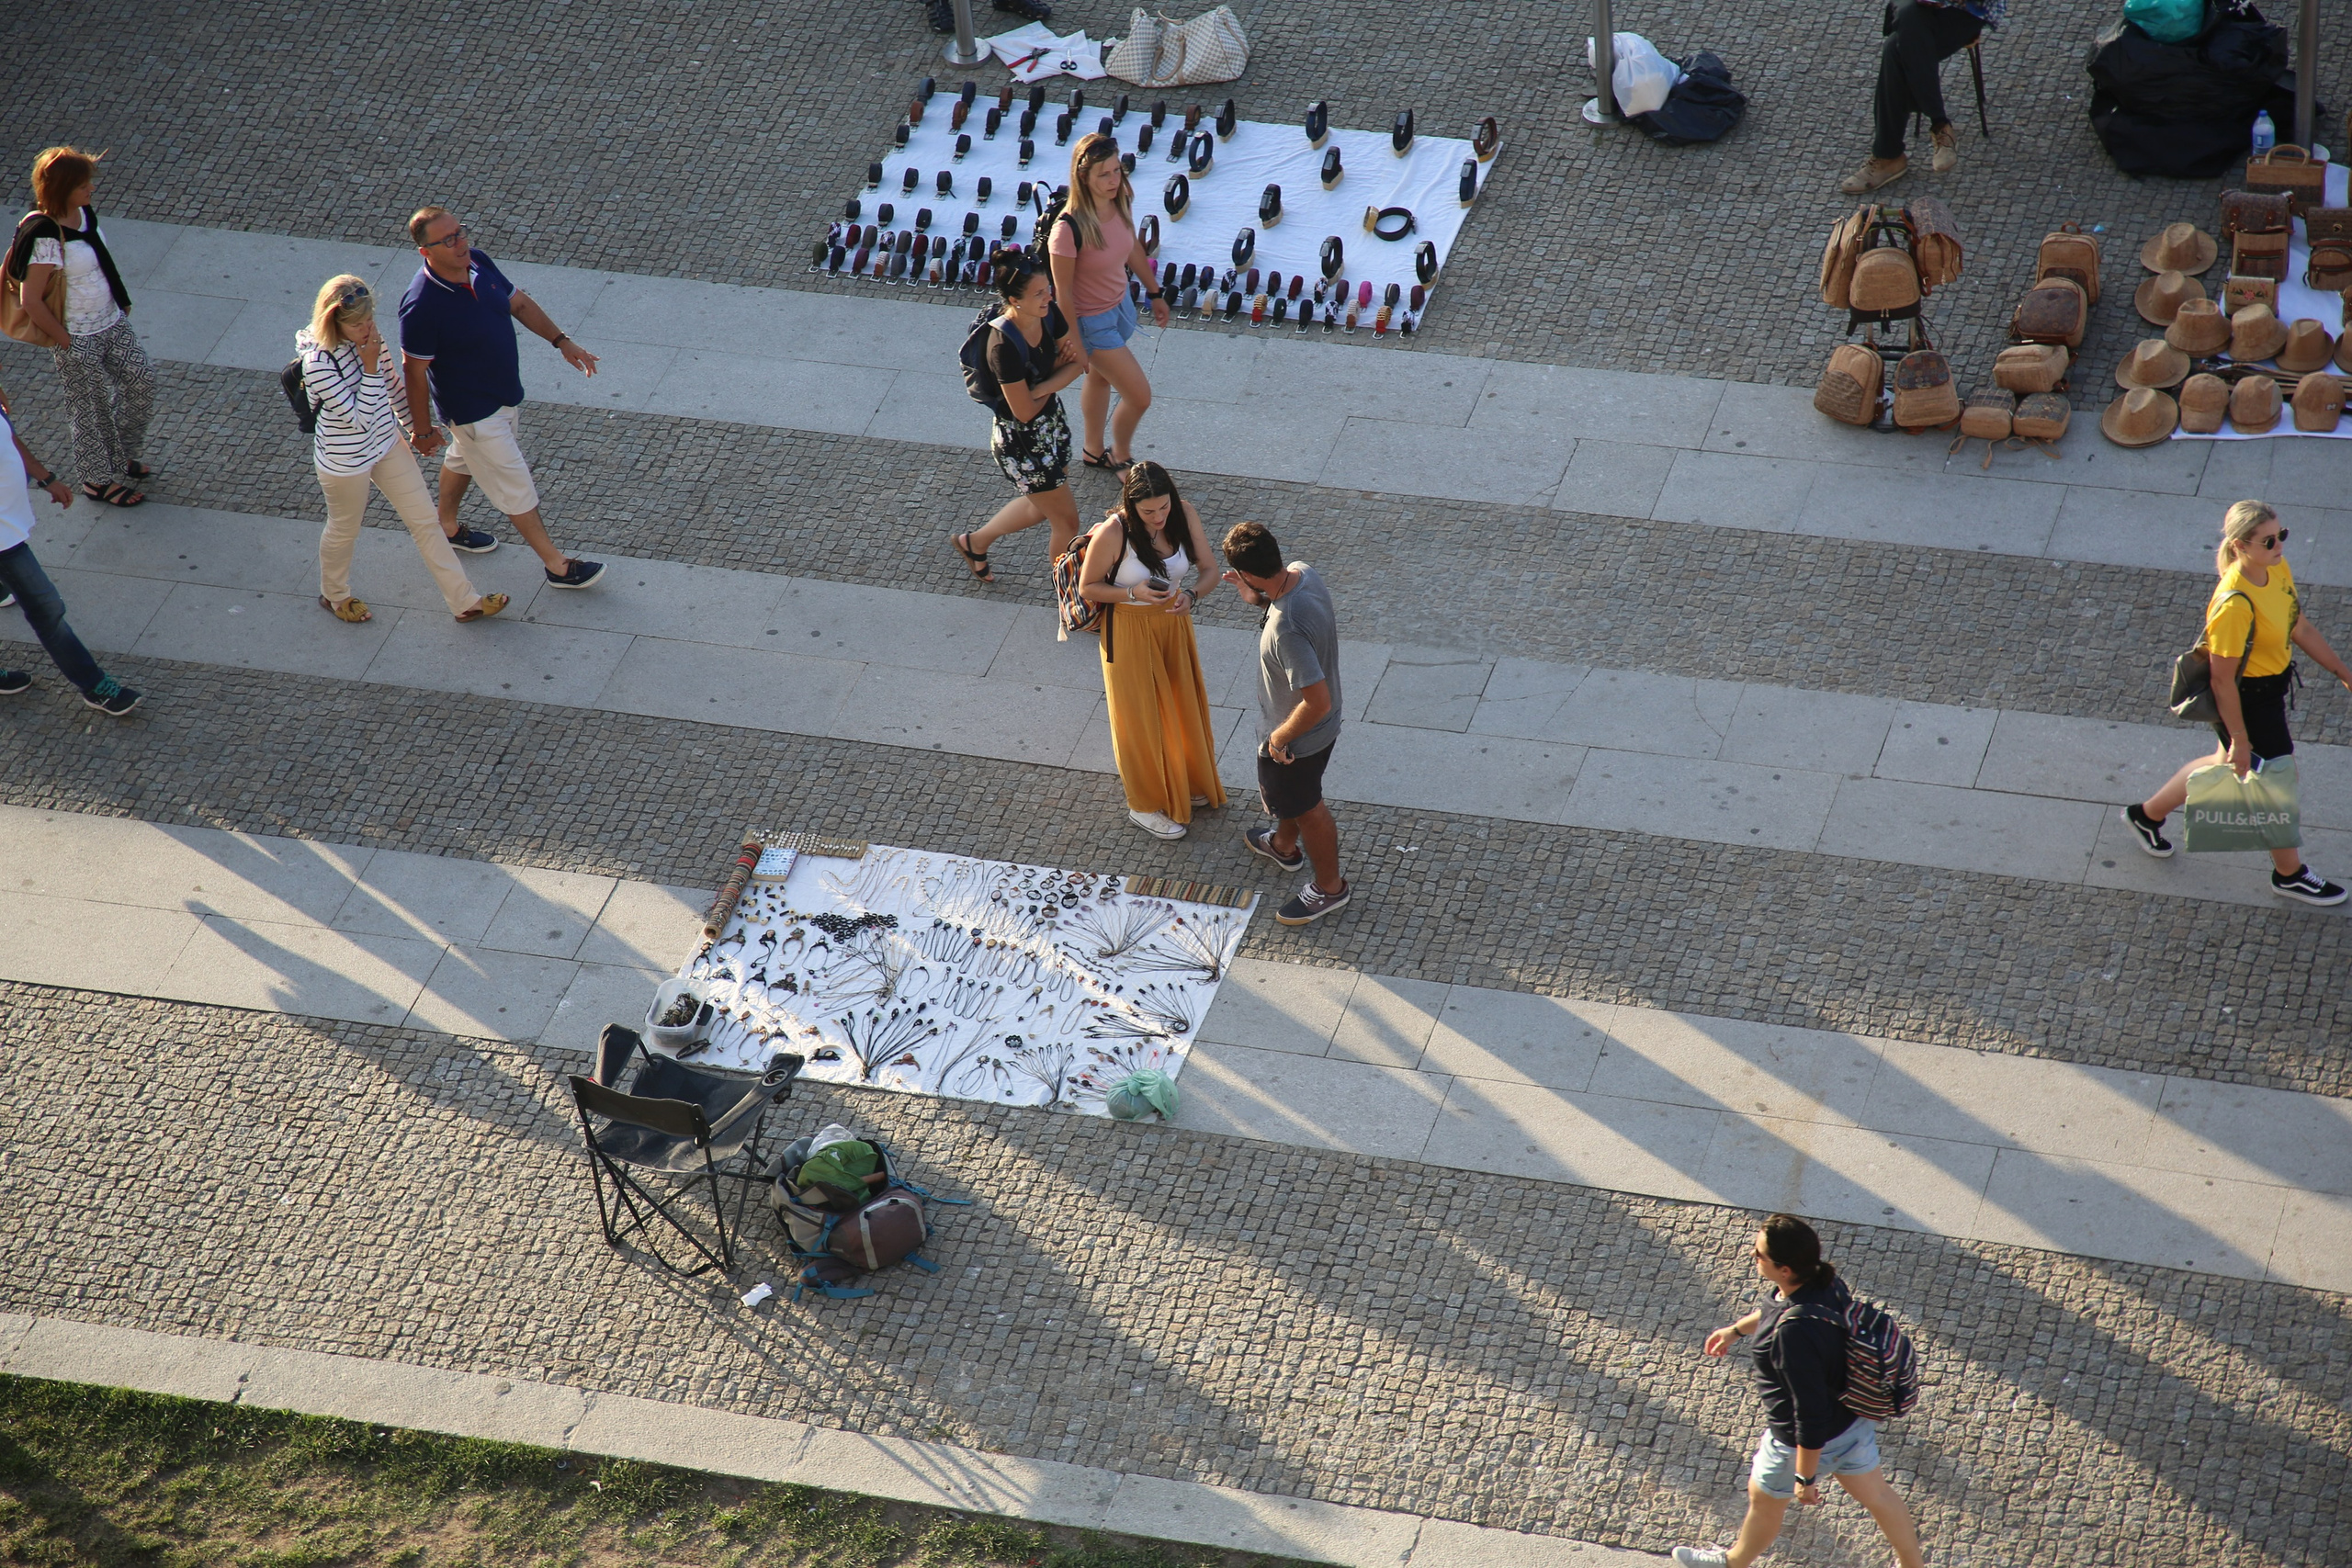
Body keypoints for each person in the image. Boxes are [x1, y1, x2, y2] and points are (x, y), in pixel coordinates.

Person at [2124, 500, 2352, 906]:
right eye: (2269, 540)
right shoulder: (2233, 604)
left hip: (2271, 688)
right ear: (2240, 546)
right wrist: (2241, 739)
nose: (2279, 545)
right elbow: (2221, 680)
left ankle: (2146, 815)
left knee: (2223, 763)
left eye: (2282, 535)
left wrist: (2343, 672)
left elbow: (2297, 625)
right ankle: (2289, 874)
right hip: (2247, 699)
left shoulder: (2275, 568)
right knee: (2277, 783)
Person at [1674, 1214, 1927, 1568]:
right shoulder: (1825, 1282)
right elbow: (1776, 1310)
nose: (1752, 1256)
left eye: (1759, 1254)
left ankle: (1731, 1564)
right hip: (1852, 1425)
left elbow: (1809, 1412)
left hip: (1797, 1443)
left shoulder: (1794, 1337)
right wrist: (1736, 1330)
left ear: (1785, 1269)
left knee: (1763, 1500)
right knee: (1880, 1496)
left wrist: (1805, 1478)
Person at [396, 207, 604, 589]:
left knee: (463, 457)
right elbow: (414, 371)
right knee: (514, 483)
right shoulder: (421, 306)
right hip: (472, 411)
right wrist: (421, 430)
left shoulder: (477, 262)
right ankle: (557, 566)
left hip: (504, 395)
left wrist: (562, 341)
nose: (460, 243)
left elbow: (518, 303)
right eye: (448, 240)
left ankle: (445, 526)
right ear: (426, 251)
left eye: (460, 232)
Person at [298, 276, 508, 626]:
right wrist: (368, 366)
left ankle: (465, 602)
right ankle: (334, 594)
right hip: (345, 460)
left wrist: (417, 430)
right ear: (334, 323)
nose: (367, 330)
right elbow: (358, 420)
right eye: (358, 325)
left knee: (426, 522)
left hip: (387, 443)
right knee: (344, 528)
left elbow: (393, 384)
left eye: (369, 320)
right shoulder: (318, 363)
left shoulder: (371, 338)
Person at [1076, 461, 1226, 839]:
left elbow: (1209, 570)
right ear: (1131, 505)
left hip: (1173, 623)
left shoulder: (1184, 513)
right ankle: (1143, 804)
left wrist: (1191, 594)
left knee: (1182, 704)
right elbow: (1087, 587)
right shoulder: (1114, 532)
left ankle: (1188, 781)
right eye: (1148, 511)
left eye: (1163, 507)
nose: (1159, 517)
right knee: (1138, 718)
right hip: (1128, 627)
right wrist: (1132, 592)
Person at [8, 147, 155, 506]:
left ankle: (120, 453)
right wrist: (66, 342)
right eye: (82, 184)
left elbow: (99, 258)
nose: (92, 188)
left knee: (142, 380)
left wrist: (119, 301)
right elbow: (31, 300)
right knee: (89, 407)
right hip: (76, 334)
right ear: (61, 189)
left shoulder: (83, 212)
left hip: (110, 320)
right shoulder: (45, 236)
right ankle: (97, 481)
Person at [1220, 521, 1350, 926]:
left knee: (1308, 808)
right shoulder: (1303, 572)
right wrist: (1257, 599)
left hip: (1299, 740)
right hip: (1323, 729)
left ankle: (1330, 888)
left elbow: (1317, 701)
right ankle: (1282, 845)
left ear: (1246, 573)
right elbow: (1285, 605)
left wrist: (1278, 739)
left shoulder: (1285, 629)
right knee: (1295, 798)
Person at [0, 388, 142, 715]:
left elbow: (9, 438)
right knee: (46, 608)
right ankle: (95, 686)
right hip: (3, 540)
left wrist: (45, 478)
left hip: (8, 524)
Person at [950, 251, 1086, 582]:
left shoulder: (1048, 313)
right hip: (1022, 444)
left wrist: (1041, 386)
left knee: (1042, 505)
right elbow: (1022, 413)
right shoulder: (1003, 346)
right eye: (1038, 293)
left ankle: (975, 542)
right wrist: (1053, 377)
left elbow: (1079, 363)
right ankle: (1068, 595)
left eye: (1047, 289)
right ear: (1015, 300)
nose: (1048, 297)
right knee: (1066, 522)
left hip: (1050, 426)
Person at [1047, 133, 1169, 474]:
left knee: (1101, 379)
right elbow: (1063, 294)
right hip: (1090, 322)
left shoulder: (1120, 199)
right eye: (1104, 174)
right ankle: (1120, 454)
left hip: (1120, 306)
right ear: (1083, 176)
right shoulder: (1067, 230)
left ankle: (1093, 449)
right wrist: (1074, 345)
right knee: (1139, 396)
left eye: (1117, 171)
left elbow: (1132, 247)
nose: (1114, 180)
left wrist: (1154, 292)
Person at [1839, 1, 2000, 195]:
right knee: (1908, 21)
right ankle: (1940, 125)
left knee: (1895, 47)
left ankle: (1889, 155)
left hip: (1963, 10)